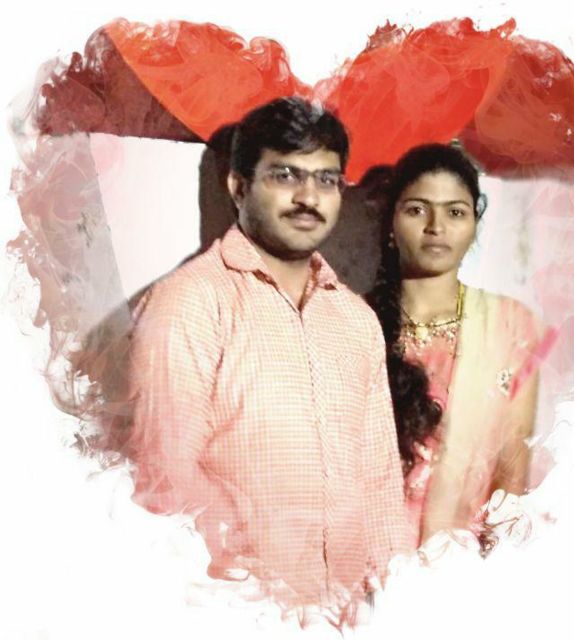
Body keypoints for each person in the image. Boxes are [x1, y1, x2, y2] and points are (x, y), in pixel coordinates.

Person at [125, 97, 410, 609]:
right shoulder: (189, 302)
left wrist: (395, 604)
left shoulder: (356, 320)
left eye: (326, 179)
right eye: (285, 175)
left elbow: (380, 486)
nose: (309, 197)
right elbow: (164, 482)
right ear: (238, 187)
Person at [367, 143, 553, 549]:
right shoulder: (352, 323)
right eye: (417, 210)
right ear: (390, 222)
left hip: (460, 563)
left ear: (474, 224)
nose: (436, 227)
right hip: (363, 558)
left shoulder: (512, 327)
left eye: (455, 212)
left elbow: (511, 471)